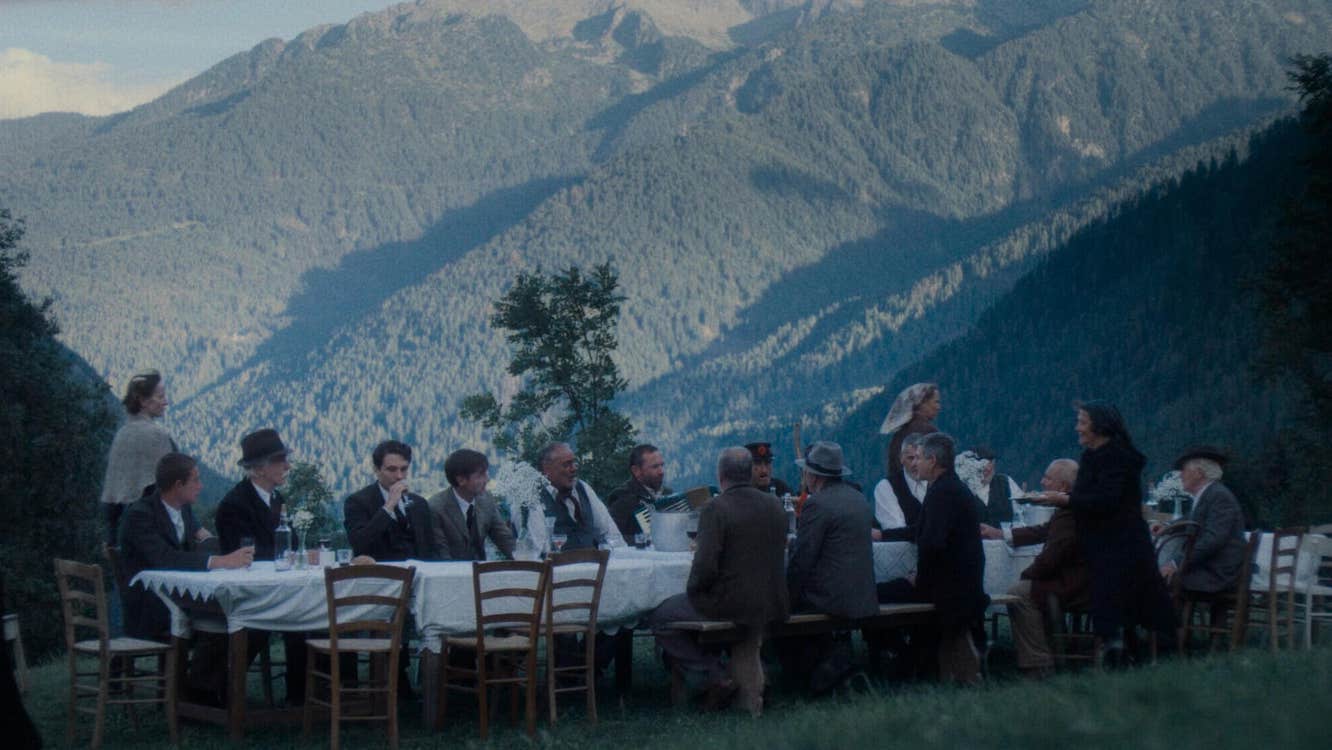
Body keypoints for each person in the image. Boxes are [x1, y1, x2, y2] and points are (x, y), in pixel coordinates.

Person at [1030, 402, 1175, 663]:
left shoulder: (1119, 458)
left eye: (1083, 422)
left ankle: (1136, 658)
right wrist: (1070, 499)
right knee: (1115, 608)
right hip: (1102, 544)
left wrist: (1066, 501)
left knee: (1126, 605)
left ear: (1100, 426)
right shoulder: (1091, 457)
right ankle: (1124, 658)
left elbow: (1107, 501)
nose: (1078, 428)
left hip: (1122, 544)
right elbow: (1088, 497)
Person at [649, 447, 789, 714]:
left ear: (720, 474)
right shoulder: (774, 504)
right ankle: (730, 674)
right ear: (749, 473)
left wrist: (695, 592)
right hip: (773, 599)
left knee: (661, 616)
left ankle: (714, 676)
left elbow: (704, 566)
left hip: (733, 604)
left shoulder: (716, 508)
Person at [119, 453, 252, 706]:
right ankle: (200, 692)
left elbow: (202, 541)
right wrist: (220, 561)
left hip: (181, 599)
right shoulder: (140, 515)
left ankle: (205, 688)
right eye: (196, 480)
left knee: (238, 614)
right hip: (152, 607)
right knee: (227, 616)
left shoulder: (184, 510)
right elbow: (165, 557)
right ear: (178, 485)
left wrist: (227, 549)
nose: (201, 486)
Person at [881, 433, 988, 683]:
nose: (915, 464)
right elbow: (922, 530)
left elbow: (931, 543)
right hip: (962, 582)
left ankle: (893, 660)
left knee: (877, 594)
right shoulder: (950, 487)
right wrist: (884, 534)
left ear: (932, 460)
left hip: (949, 587)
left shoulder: (942, 492)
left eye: (919, 458)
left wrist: (920, 577)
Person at [214, 428, 307, 705]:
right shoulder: (235, 505)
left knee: (308, 611)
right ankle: (296, 693)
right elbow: (244, 556)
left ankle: (303, 691)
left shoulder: (277, 500)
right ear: (258, 468)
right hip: (249, 594)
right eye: (280, 460)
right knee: (299, 614)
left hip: (277, 588)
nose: (287, 466)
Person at [784, 441, 877, 690]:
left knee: (776, 611)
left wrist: (786, 600)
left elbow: (802, 561)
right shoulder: (858, 498)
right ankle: (833, 663)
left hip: (833, 599)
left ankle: (806, 676)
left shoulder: (817, 504)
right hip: (865, 595)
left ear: (813, 475)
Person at [983, 458, 1089, 677]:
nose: (1042, 482)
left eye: (1047, 478)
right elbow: (1043, 531)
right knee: (1029, 587)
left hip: (1077, 585)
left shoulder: (1071, 514)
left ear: (1062, 488)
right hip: (1082, 580)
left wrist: (1026, 576)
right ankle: (1051, 649)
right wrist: (1001, 534)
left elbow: (1051, 559)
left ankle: (1037, 663)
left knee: (1018, 593)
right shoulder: (1073, 508)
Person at [100, 370, 175, 545]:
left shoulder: (122, 434)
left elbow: (111, 495)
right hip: (150, 534)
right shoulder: (157, 435)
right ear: (142, 400)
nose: (166, 401)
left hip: (119, 534)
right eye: (160, 396)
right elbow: (173, 489)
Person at [1159, 446, 1247, 593]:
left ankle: (1162, 615)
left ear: (1199, 473)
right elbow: (1191, 518)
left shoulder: (1219, 496)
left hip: (1216, 574)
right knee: (1152, 574)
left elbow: (1212, 540)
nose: (1180, 476)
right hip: (1208, 568)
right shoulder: (1209, 494)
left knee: (1151, 578)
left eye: (1184, 470)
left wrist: (1175, 564)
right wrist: (1167, 526)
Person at [344, 440, 439, 561]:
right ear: (377, 470)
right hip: (379, 573)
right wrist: (388, 507)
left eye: (404, 469)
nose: (399, 476)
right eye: (392, 469)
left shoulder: (419, 503)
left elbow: (430, 546)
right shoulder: (357, 502)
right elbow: (359, 543)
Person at [427, 448, 514, 560]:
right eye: (480, 475)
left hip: (480, 572)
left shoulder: (486, 500)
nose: (487, 479)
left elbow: (504, 539)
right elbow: (442, 554)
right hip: (450, 574)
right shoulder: (436, 508)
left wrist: (526, 563)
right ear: (461, 480)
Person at [877, 382, 941, 533]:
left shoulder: (898, 435)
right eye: (936, 402)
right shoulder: (929, 433)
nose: (938, 407)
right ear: (922, 403)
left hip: (897, 503)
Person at [537, 442, 625, 550]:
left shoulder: (583, 488)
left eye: (574, 463)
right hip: (558, 566)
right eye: (566, 465)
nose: (574, 469)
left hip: (594, 565)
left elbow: (610, 534)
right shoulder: (534, 497)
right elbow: (538, 550)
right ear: (547, 469)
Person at [605, 444, 671, 540]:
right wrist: (641, 539)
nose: (661, 472)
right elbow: (614, 537)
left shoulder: (668, 494)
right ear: (636, 470)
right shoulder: (623, 497)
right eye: (655, 467)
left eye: (662, 465)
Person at [872, 432, 928, 541]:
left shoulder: (936, 483)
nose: (915, 464)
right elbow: (895, 530)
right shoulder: (886, 487)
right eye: (910, 458)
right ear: (901, 458)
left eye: (919, 458)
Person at [971, 445, 1022, 527]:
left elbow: (1021, 513)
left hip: (1003, 538)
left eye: (990, 463)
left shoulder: (1006, 482)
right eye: (982, 464)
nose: (988, 468)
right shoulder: (961, 488)